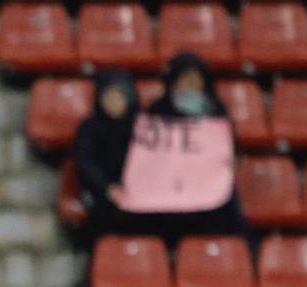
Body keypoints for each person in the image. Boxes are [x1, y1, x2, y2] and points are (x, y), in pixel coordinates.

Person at [139, 51, 250, 243]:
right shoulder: (158, 109)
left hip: (206, 182)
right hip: (169, 182)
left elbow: (230, 144)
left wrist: (231, 159)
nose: (192, 85)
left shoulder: (215, 108)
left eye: (196, 80)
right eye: (186, 79)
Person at [70, 71, 137, 244]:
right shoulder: (88, 127)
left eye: (119, 97)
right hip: (100, 190)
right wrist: (108, 188)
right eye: (108, 97)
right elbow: (85, 163)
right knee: (100, 213)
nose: (113, 103)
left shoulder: (141, 127)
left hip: (135, 189)